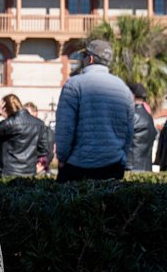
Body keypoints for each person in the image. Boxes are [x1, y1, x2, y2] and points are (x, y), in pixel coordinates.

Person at [54, 40, 134, 182]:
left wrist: (62, 157)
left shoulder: (74, 84)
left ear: (90, 59)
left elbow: (65, 127)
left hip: (77, 165)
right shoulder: (123, 88)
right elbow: (129, 131)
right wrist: (122, 158)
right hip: (113, 165)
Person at [0, 93, 48, 177]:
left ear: (5, 108)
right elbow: (43, 149)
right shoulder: (39, 124)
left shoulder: (9, 123)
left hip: (8, 171)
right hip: (29, 172)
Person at [127, 83, 157, 172]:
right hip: (146, 168)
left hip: (131, 168)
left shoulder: (130, 115)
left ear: (132, 95)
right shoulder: (149, 117)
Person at [24, 102, 55, 174]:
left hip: (40, 170)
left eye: (28, 114)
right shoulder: (22, 130)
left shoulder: (44, 129)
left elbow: (49, 151)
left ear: (35, 113)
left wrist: (41, 164)